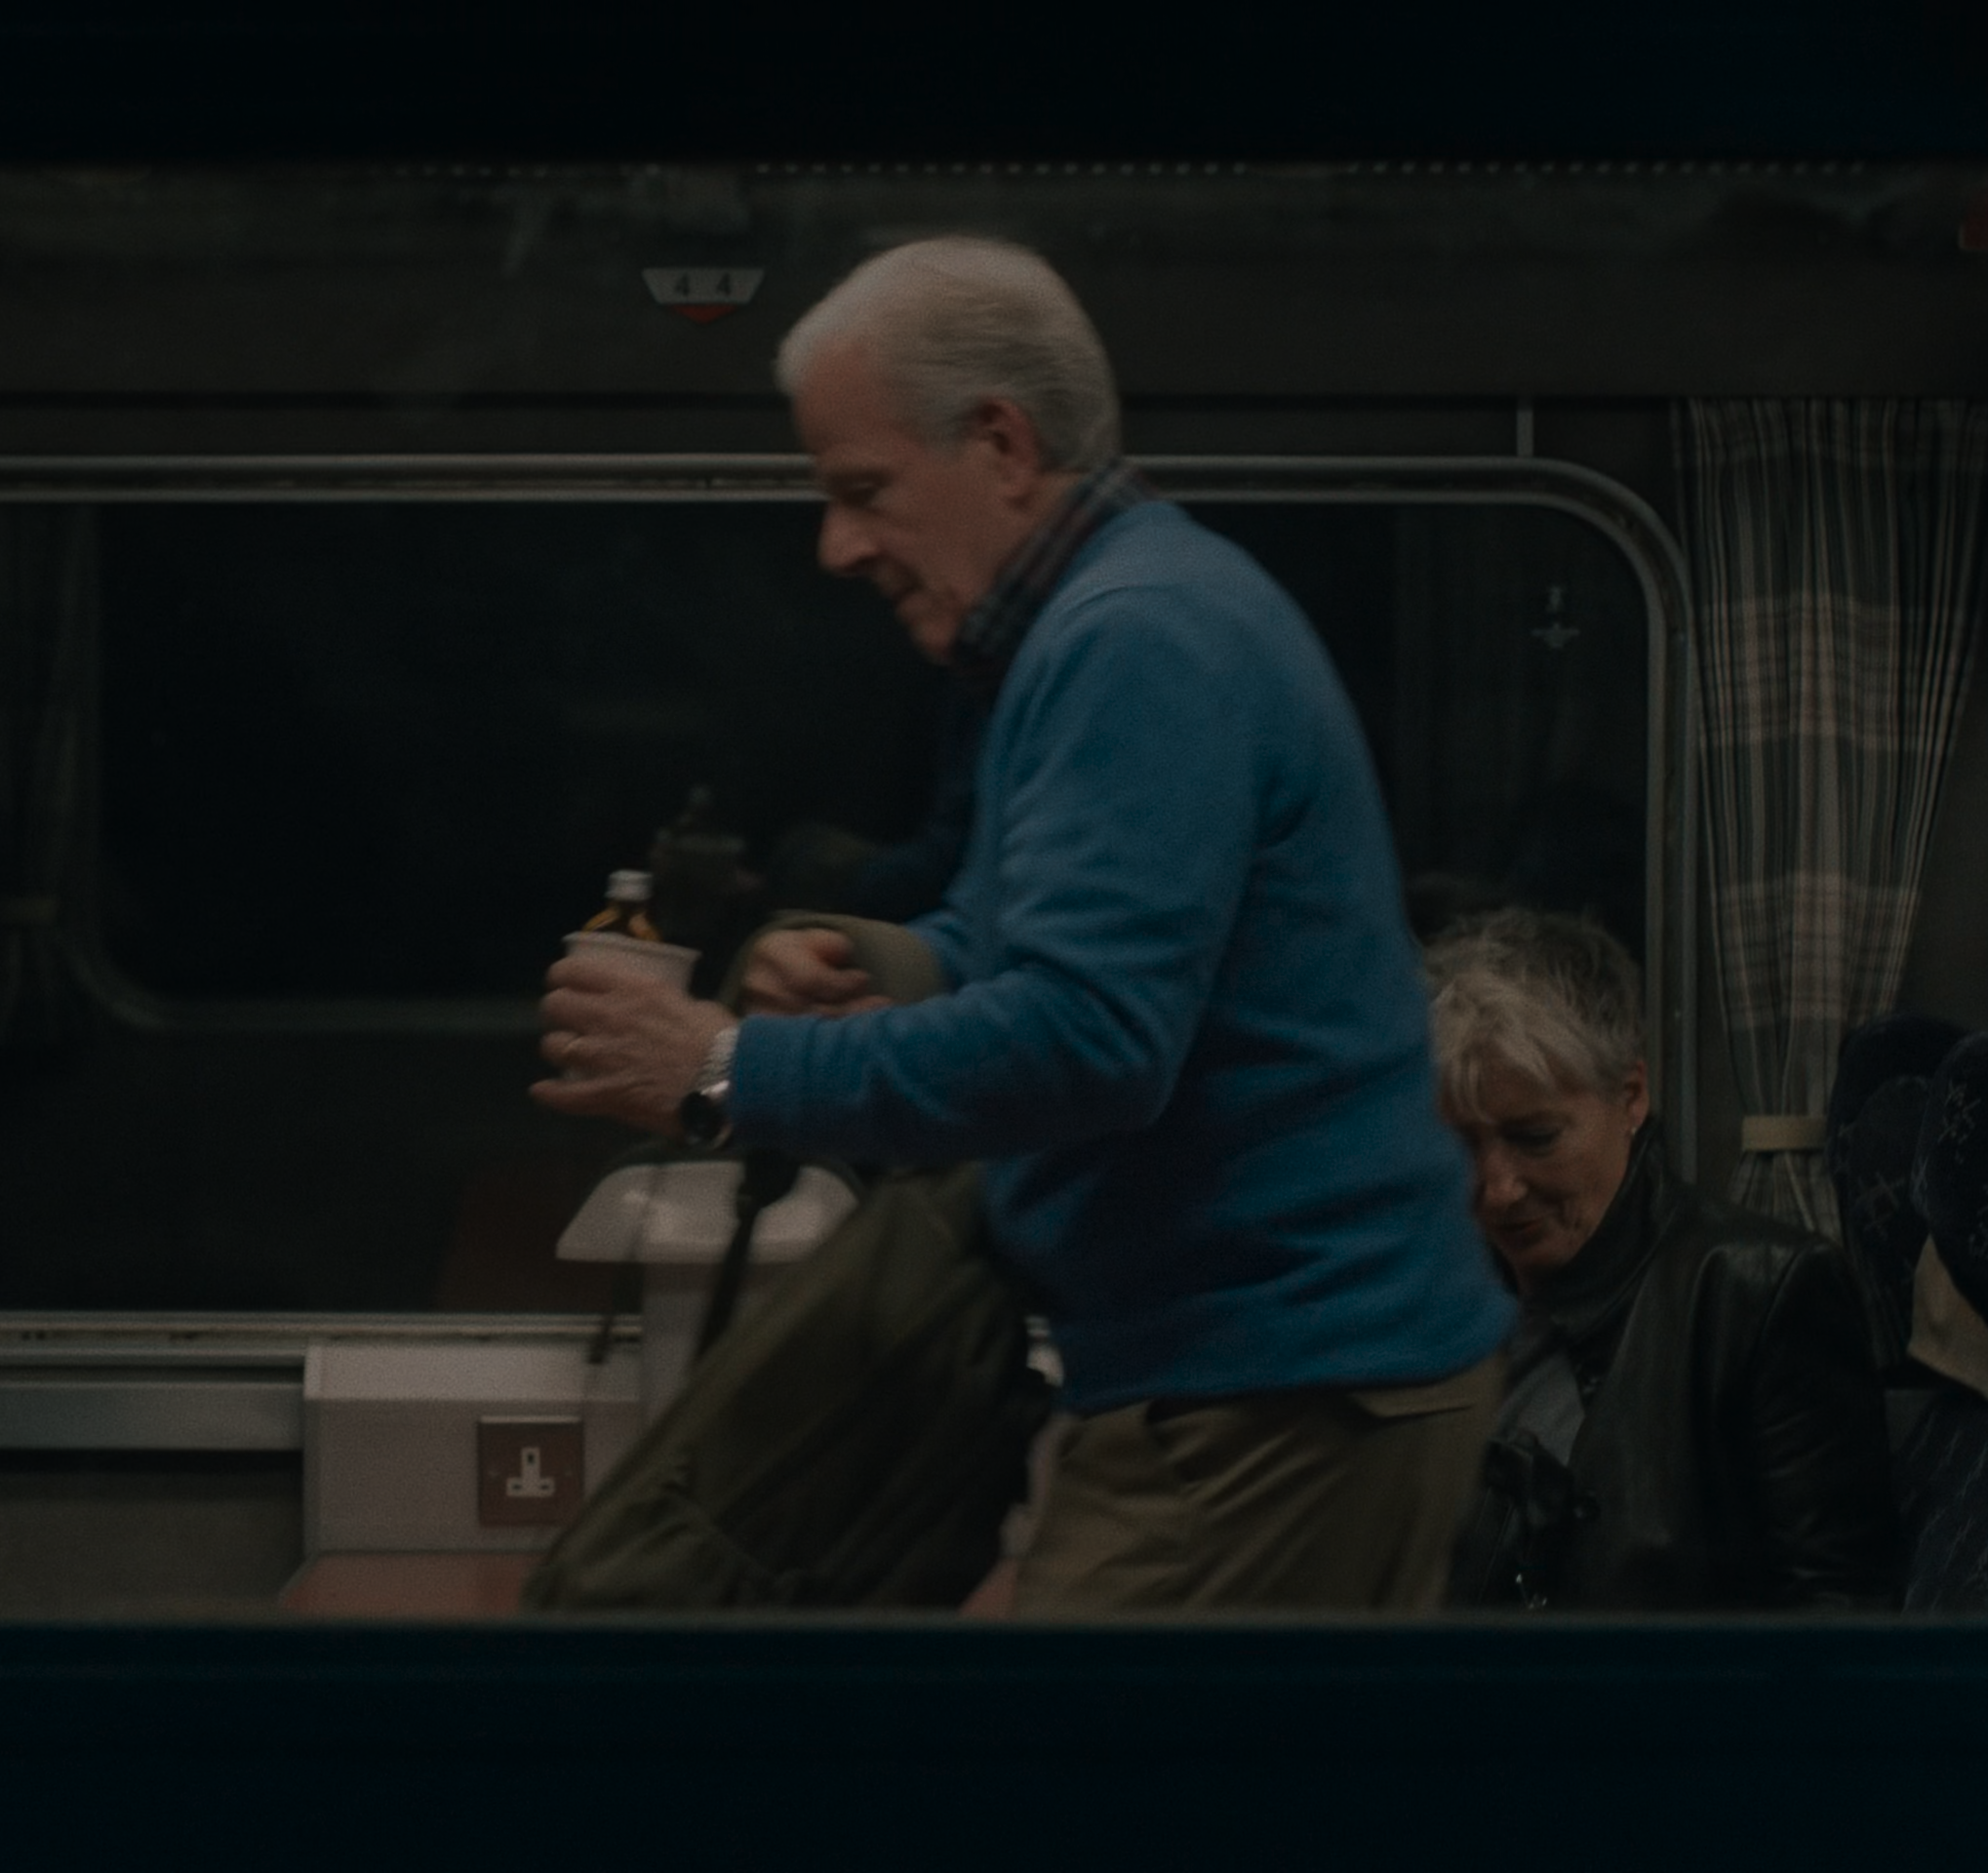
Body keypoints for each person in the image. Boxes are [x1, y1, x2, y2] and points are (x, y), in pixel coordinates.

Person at [534, 236, 1515, 1614]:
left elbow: (1091, 1038)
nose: (836, 546)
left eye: (863, 490)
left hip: (1278, 1393)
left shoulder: (1134, 637)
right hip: (1269, 1372)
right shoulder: (1104, 621)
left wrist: (721, 1071)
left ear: (1000, 444)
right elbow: (1046, 944)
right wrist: (886, 967)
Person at [1424, 908, 1899, 1611]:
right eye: (1462, 1145)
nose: (1497, 1190)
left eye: (1536, 1138)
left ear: (1632, 1097)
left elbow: (1837, 1622)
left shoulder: (1758, 1295)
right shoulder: (1438, 1302)